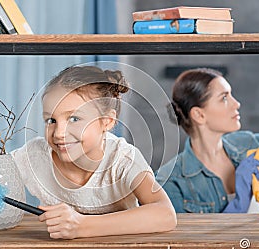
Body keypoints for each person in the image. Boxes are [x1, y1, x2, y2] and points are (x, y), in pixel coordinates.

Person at [154, 68, 259, 249]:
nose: (236, 104)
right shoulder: (171, 180)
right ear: (199, 114)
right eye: (224, 98)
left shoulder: (249, 144)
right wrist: (236, 209)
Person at [11, 65, 177, 239]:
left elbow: (165, 214)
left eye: (74, 119)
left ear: (107, 121)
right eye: (51, 120)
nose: (59, 133)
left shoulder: (123, 159)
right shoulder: (35, 154)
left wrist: (81, 226)